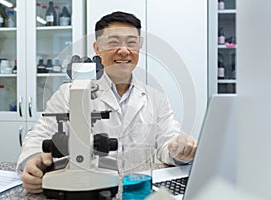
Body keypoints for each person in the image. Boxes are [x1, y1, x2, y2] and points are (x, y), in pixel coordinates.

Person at [17, 11, 197, 194]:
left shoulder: (156, 98)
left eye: (131, 43)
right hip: (86, 190)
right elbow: (38, 138)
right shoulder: (69, 94)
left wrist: (180, 151)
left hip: (136, 191)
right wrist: (33, 162)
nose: (124, 50)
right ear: (97, 48)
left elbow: (169, 143)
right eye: (113, 43)